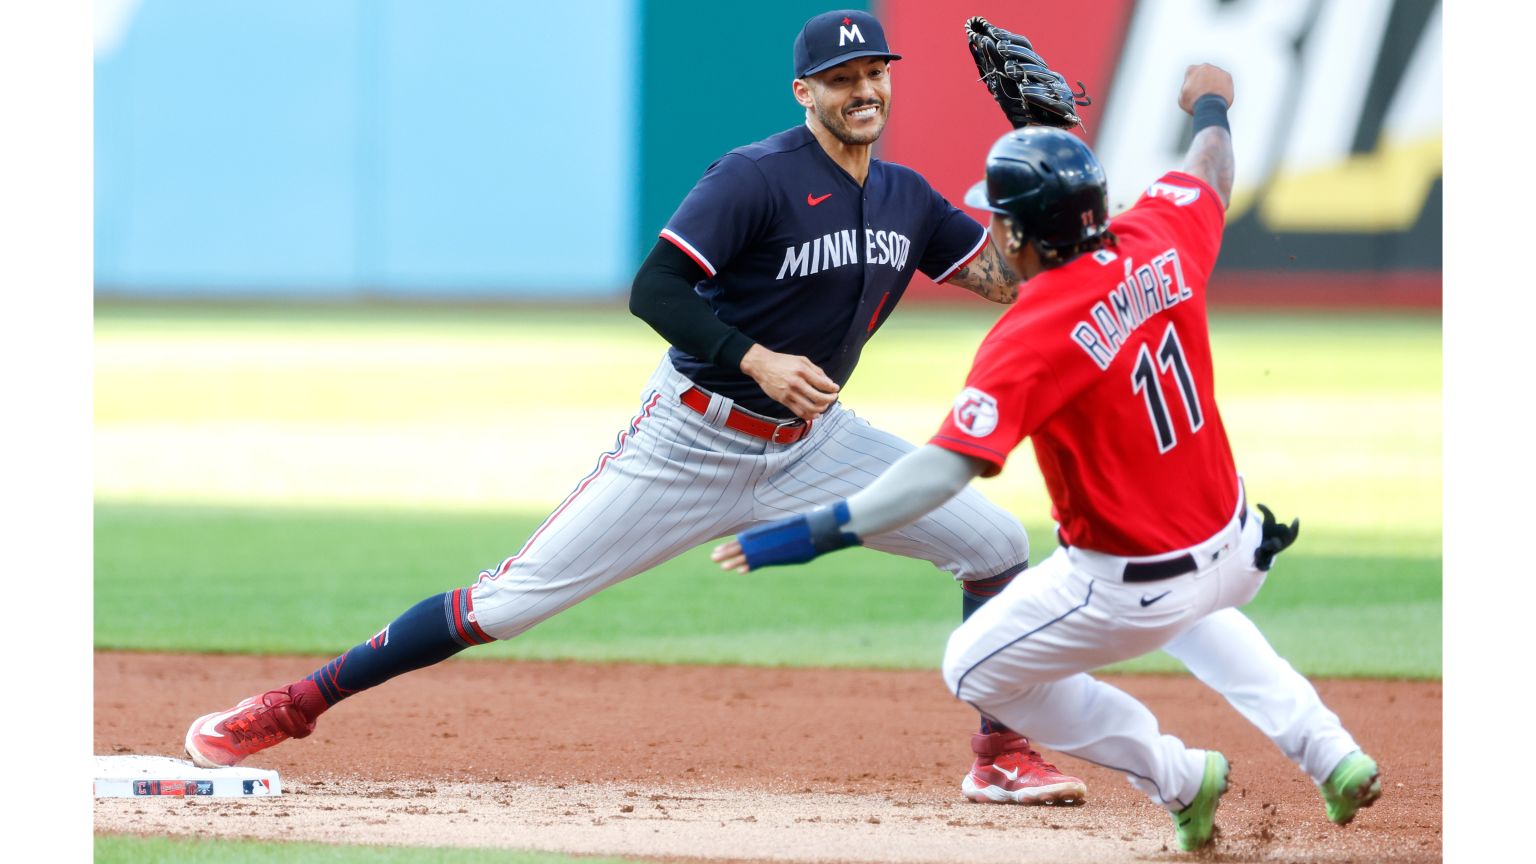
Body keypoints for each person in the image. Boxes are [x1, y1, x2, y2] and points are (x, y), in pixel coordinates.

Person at [182, 9, 1088, 806]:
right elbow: (654, 288)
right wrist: (757, 359)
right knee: (509, 602)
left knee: (997, 543)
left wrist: (1059, 178)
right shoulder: (753, 177)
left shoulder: (908, 197)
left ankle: (1000, 753)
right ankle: (296, 703)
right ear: (804, 90)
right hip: (691, 439)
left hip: (815, 445)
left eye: (875, 74)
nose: (862, 90)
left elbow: (1010, 283)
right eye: (841, 79)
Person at [712, 63, 1382, 850]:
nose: (992, 231)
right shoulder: (1157, 234)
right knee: (1204, 611)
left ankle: (1175, 775)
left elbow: (942, 469)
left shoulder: (1033, 332)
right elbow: (1210, 168)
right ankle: (1332, 753)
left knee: (974, 669)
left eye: (999, 219)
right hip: (1235, 544)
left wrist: (815, 532)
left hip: (1131, 586)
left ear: (1023, 235)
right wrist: (1211, 99)